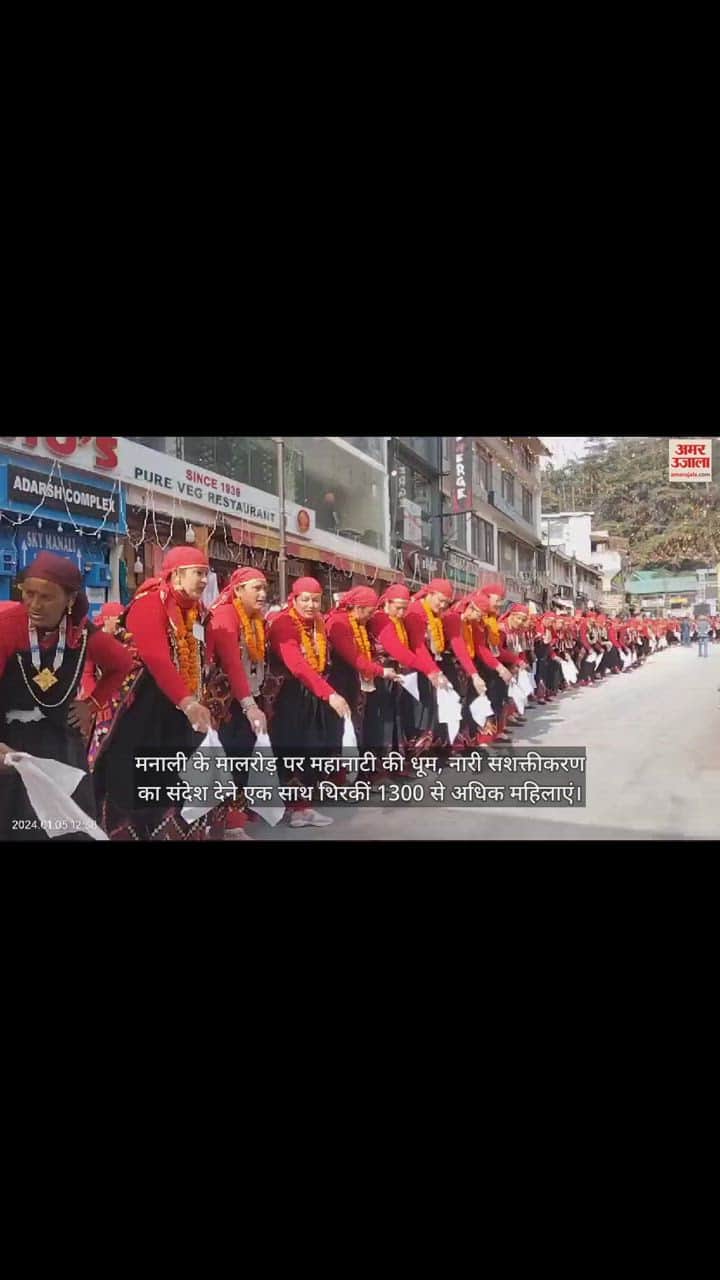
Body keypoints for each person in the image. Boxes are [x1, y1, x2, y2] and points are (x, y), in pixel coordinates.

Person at [91, 546, 226, 841]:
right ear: (177, 575)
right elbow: (156, 658)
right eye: (199, 573)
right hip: (142, 710)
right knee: (136, 778)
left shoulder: (196, 613)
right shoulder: (149, 604)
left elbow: (202, 659)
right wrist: (188, 702)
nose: (204, 581)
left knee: (176, 775)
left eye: (207, 574)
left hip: (176, 709)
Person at [0, 552, 133, 842]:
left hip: (62, 745)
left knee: (69, 829)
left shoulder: (82, 633)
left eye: (46, 597)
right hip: (11, 744)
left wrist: (92, 704)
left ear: (70, 600)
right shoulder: (8, 626)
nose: (34, 605)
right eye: (29, 594)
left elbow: (121, 664)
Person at [266, 577, 350, 828]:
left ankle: (303, 805)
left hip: (314, 693)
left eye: (316, 599)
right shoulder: (283, 623)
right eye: (305, 599)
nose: (311, 605)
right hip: (291, 696)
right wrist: (330, 694)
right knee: (294, 748)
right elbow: (298, 665)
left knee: (314, 747)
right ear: (294, 599)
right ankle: (297, 808)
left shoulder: (319, 623)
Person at [204, 567, 270, 842]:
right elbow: (232, 664)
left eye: (265, 588)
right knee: (228, 760)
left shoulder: (255, 619)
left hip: (244, 700)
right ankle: (227, 823)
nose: (263, 594)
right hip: (226, 706)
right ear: (238, 590)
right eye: (256, 588)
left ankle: (234, 819)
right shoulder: (225, 616)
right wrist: (249, 706)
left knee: (241, 758)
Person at [365, 583, 448, 770]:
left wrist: (431, 670)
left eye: (405, 608)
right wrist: (430, 670)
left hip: (394, 676)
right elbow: (398, 650)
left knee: (396, 720)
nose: (402, 612)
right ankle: (377, 770)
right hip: (379, 677)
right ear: (387, 602)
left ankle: (395, 764)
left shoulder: (398, 621)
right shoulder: (381, 619)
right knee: (382, 724)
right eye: (398, 607)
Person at [325, 587, 403, 747]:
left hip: (352, 681)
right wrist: (381, 671)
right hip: (338, 682)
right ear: (359, 608)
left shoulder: (360, 624)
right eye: (369, 612)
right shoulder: (338, 622)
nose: (371, 616)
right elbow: (354, 658)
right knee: (339, 729)